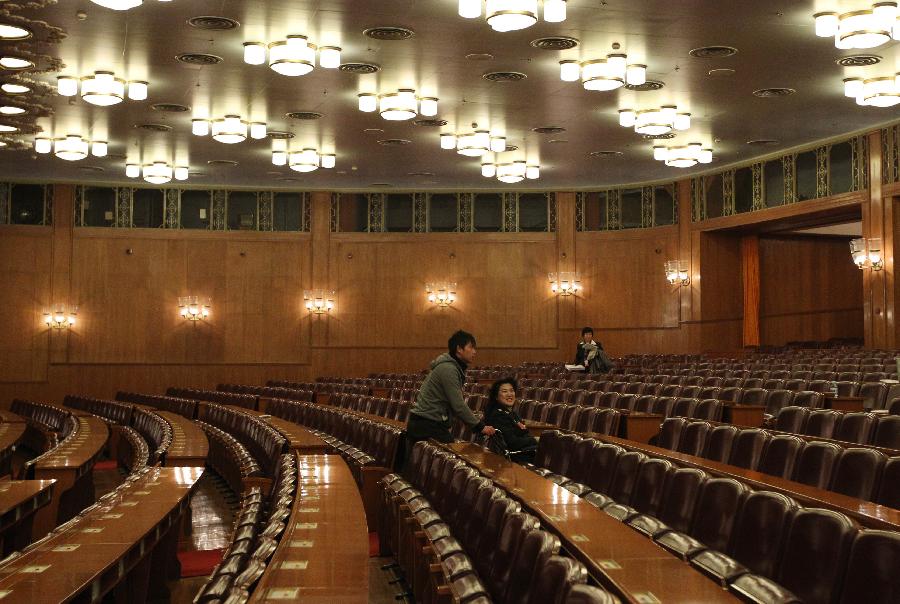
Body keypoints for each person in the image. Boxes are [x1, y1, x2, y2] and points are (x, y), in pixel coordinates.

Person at [406, 330, 496, 446]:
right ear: (459, 349)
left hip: (424, 423)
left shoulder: (451, 366)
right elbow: (458, 405)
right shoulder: (449, 369)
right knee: (453, 454)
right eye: (471, 347)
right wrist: (480, 426)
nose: (475, 352)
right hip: (426, 425)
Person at [484, 377, 537, 463]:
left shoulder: (513, 414)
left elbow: (524, 432)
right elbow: (513, 442)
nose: (509, 394)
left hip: (525, 452)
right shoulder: (498, 416)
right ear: (496, 397)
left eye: (511, 391)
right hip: (516, 458)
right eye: (504, 391)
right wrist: (535, 440)